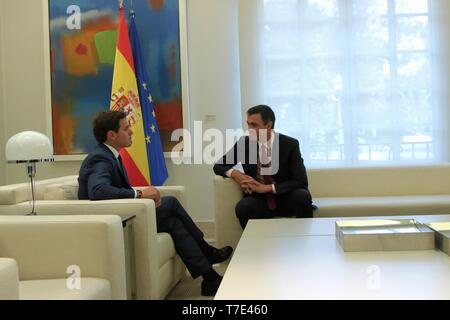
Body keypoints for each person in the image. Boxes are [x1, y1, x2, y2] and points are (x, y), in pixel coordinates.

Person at [78, 110, 233, 296]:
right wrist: (140, 193)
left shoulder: (111, 156)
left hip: (127, 214)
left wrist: (141, 194)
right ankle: (207, 251)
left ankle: (210, 278)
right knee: (171, 203)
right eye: (126, 129)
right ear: (111, 135)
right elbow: (99, 191)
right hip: (115, 220)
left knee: (174, 223)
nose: (132, 132)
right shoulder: (100, 158)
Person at [213, 105, 313, 229]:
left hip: (285, 196)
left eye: (254, 125)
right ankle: (254, 245)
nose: (249, 129)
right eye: (248, 124)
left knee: (303, 196)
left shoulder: (289, 144)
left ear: (268, 126)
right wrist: (236, 174)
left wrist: (266, 188)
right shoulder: (245, 143)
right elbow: (219, 165)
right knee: (243, 207)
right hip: (259, 200)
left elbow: (301, 181)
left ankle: (305, 240)